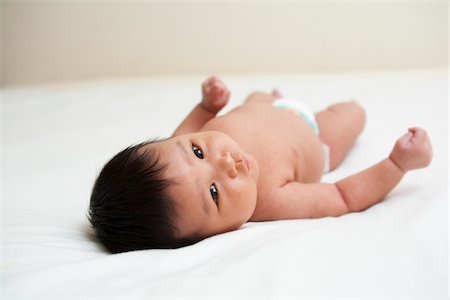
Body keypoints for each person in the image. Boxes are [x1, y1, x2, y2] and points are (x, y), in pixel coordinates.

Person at [88, 76, 433, 253]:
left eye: (196, 152)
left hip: (266, 106)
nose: (224, 163)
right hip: (316, 134)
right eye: (213, 193)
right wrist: (396, 164)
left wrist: (208, 104)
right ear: (213, 235)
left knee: (257, 95)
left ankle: (271, 98)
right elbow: (343, 196)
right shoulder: (269, 199)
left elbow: (197, 120)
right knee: (352, 113)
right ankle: (331, 111)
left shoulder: (185, 141)